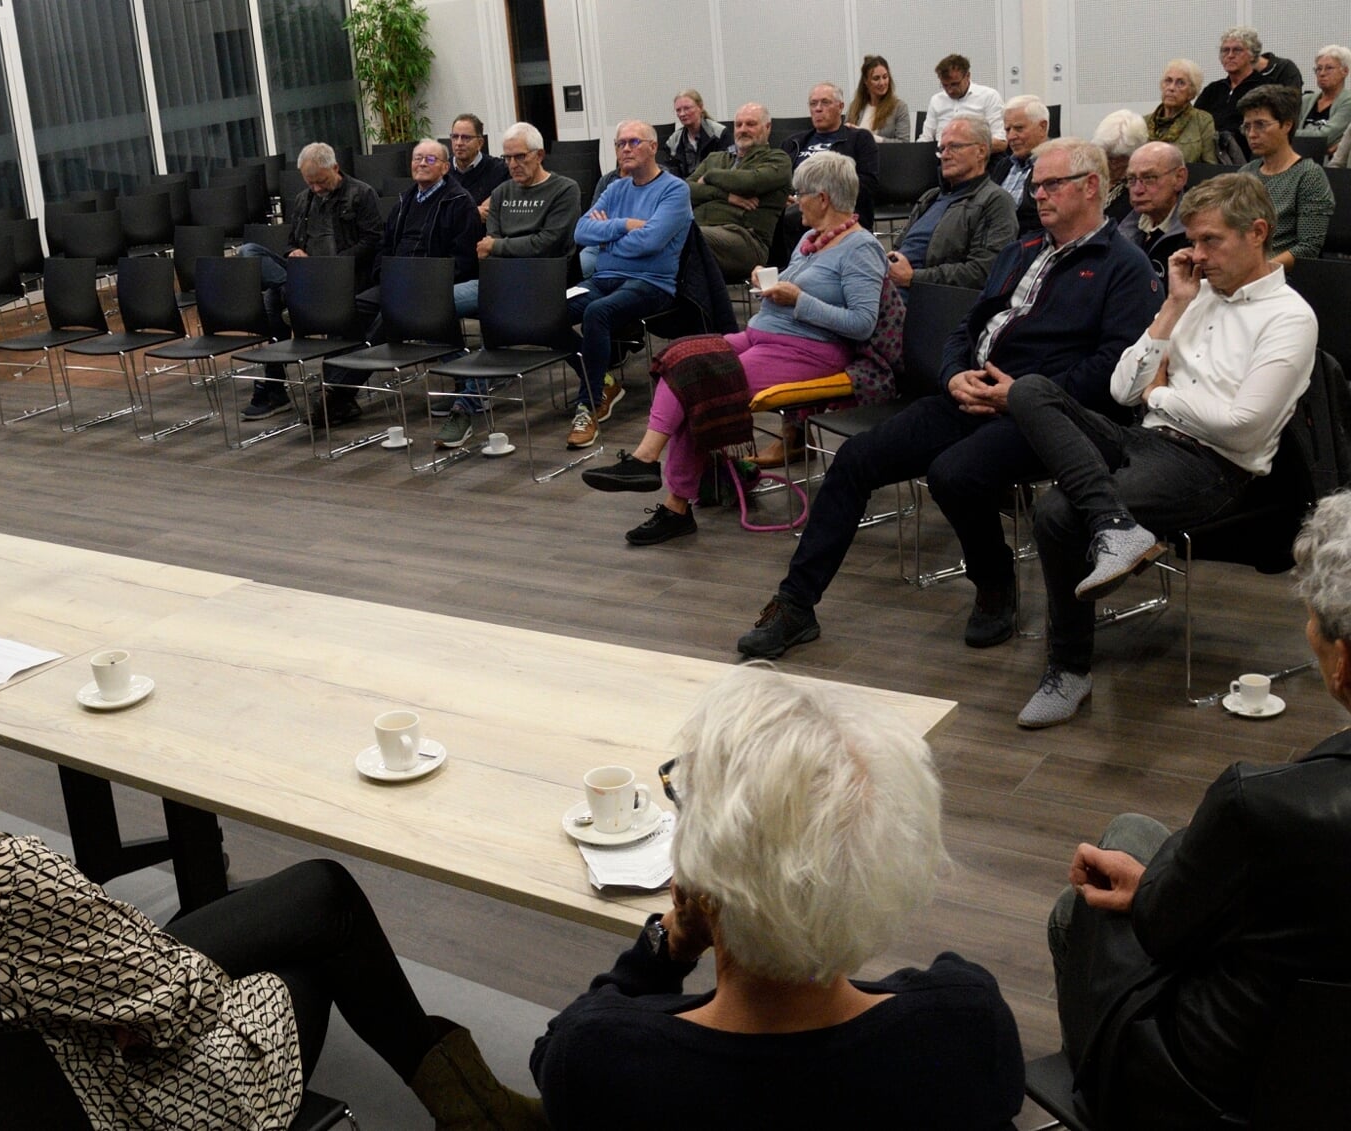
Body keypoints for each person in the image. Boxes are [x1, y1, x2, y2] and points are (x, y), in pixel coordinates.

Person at [0, 571, 545, 1131]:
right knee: (310, 948)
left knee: (320, 893)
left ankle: (467, 1102)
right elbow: (186, 1005)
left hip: (19, 1075)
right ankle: (470, 1105)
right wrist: (122, 1001)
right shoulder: (8, 882)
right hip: (128, 1104)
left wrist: (107, 988)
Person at [531, 666, 1023, 1129]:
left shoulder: (599, 1060)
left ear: (699, 888)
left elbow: (554, 1050)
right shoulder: (968, 1025)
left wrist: (668, 944)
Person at [738, 138, 1160, 660]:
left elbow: (1114, 369)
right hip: (969, 394)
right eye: (1037, 185)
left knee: (955, 474)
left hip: (1049, 416)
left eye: (1052, 185)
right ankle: (796, 604)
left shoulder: (1125, 266)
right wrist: (953, 374)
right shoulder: (1023, 249)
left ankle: (994, 583)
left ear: (1091, 186)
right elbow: (968, 326)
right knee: (854, 460)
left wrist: (1021, 395)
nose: (1038, 195)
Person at [1046, 491, 1351, 1128]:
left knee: (1083, 896)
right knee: (1140, 844)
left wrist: (1157, 892)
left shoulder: (1263, 807)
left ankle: (1107, 1098)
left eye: (1312, 618)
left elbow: (1164, 931)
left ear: (1342, 661)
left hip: (1220, 1091)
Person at [1007, 174, 1315, 727]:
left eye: (1210, 241)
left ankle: (1070, 667)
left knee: (1057, 511)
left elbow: (1243, 427)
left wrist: (1163, 396)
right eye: (1192, 241)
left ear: (1258, 233)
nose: (1195, 255)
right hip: (1145, 440)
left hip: (1212, 468)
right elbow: (1123, 390)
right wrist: (1173, 307)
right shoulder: (1194, 295)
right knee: (1029, 390)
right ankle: (1114, 524)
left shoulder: (1290, 318)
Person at [582, 153, 885, 546]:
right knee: (680, 353)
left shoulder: (861, 248)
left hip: (810, 352)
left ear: (823, 198)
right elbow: (796, 287)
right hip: (765, 336)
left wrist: (798, 300)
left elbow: (863, 323)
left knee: (701, 380)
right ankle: (659, 468)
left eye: (800, 193)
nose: (795, 200)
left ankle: (669, 495)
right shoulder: (811, 240)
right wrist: (767, 279)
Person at [439, 122, 581, 449]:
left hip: (545, 280)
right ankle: (469, 384)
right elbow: (492, 242)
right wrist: (501, 248)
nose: (513, 165)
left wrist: (500, 248)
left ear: (540, 155)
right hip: (501, 282)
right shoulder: (503, 192)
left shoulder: (564, 189)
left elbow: (549, 243)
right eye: (507, 158)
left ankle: (465, 405)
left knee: (522, 322)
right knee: (437, 304)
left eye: (520, 157)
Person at [324, 139, 480, 427]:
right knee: (350, 308)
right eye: (417, 158)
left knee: (393, 313)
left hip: (432, 285)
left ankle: (338, 392)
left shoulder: (459, 203)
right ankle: (336, 387)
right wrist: (385, 275)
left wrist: (424, 282)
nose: (422, 163)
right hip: (397, 282)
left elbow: (464, 259)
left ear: (445, 167)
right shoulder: (404, 200)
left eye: (430, 160)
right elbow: (384, 246)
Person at [566, 120, 692, 451]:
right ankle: (602, 382)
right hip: (605, 279)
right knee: (545, 312)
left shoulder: (674, 190)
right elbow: (580, 232)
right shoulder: (615, 188)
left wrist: (608, 238)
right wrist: (625, 225)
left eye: (633, 142)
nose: (625, 149)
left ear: (653, 147)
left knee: (597, 312)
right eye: (619, 143)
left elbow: (650, 243)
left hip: (651, 283)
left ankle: (587, 406)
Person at [235, 142, 382, 422]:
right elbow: (291, 242)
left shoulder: (361, 194)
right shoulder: (304, 199)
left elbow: (372, 242)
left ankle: (274, 389)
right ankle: (291, 290)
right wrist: (294, 253)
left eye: (321, 182)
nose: (316, 188)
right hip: (305, 277)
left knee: (271, 300)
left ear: (335, 169)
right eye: (310, 182)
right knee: (249, 252)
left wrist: (333, 264)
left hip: (342, 278)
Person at [886, 114, 1017, 291]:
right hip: (893, 288)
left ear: (981, 151)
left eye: (954, 147)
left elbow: (983, 272)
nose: (945, 156)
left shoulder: (995, 200)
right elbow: (898, 249)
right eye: (942, 149)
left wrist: (914, 278)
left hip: (930, 297)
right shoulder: (930, 197)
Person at [684, 102, 791, 282]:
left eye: (751, 124)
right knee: (664, 234)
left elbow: (749, 183)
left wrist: (710, 176)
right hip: (701, 228)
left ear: (767, 127)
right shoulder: (716, 158)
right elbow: (684, 191)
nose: (743, 129)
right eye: (738, 125)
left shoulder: (778, 160)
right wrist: (724, 195)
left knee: (685, 236)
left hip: (746, 240)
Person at [1237, 85, 1336, 266]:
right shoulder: (1245, 173)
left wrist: (1261, 271)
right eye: (1247, 126)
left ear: (1287, 125)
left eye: (1260, 124)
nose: (1251, 134)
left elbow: (1308, 247)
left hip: (1280, 277)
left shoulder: (1308, 175)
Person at [781, 82, 881, 211]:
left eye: (825, 102)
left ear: (840, 107)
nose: (818, 108)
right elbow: (777, 181)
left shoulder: (860, 139)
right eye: (813, 103)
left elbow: (868, 185)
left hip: (836, 210)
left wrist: (816, 198)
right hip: (794, 210)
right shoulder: (793, 143)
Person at [1115, 141, 1192, 275]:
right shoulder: (1121, 222)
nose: (1137, 190)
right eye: (1131, 179)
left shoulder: (1197, 234)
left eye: (1149, 178)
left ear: (1179, 178)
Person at [1194, 26, 1272, 151]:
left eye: (1237, 50)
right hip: (1209, 153)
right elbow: (1195, 123)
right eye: (1225, 50)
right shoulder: (1213, 89)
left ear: (1252, 55)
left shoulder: (1265, 89)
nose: (1230, 55)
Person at [919, 54, 1006, 153]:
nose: (950, 90)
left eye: (954, 84)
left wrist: (967, 149)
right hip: (941, 157)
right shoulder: (936, 100)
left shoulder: (989, 96)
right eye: (945, 85)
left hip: (976, 158)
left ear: (967, 76)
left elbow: (1000, 142)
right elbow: (926, 138)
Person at [989, 95, 1051, 234]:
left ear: (1042, 127)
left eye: (1019, 128)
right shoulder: (1003, 166)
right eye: (1007, 130)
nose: (1011, 136)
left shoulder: (1057, 166)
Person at [1146, 59, 1218, 165]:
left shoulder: (1202, 121)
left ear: (1192, 92)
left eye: (1180, 83)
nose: (1171, 88)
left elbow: (1210, 166)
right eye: (1168, 81)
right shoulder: (1144, 122)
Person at [1091, 109, 1150, 222]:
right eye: (1106, 155)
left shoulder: (1139, 189)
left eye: (1117, 160)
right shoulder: (1088, 174)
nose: (1109, 163)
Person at [1297, 46, 1351, 160]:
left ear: (1345, 71)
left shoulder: (1348, 101)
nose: (1322, 73)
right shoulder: (1305, 100)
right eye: (1318, 69)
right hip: (1300, 163)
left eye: (1329, 68)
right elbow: (1287, 133)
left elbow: (1325, 137)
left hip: (1330, 167)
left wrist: (1296, 137)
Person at [660, 89, 726, 180]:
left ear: (700, 107)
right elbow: (669, 172)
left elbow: (727, 167)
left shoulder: (719, 133)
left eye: (687, 108)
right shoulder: (673, 141)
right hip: (683, 188)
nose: (682, 114)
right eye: (678, 110)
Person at [447, 113, 509, 208]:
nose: (458, 143)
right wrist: (474, 213)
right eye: (455, 137)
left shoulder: (499, 169)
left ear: (480, 143)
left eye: (466, 138)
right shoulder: (442, 170)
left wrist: (496, 198)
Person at [849, 54, 912, 143]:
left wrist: (873, 138)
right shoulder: (855, 107)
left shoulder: (899, 107)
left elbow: (904, 143)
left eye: (885, 77)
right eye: (876, 78)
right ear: (866, 81)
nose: (882, 83)